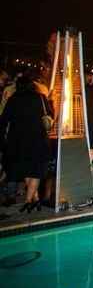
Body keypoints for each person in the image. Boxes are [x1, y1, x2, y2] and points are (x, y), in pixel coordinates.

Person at [0, 75, 51, 212]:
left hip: (18, 140)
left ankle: (31, 200)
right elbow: (49, 114)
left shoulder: (13, 99)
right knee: (35, 170)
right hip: (38, 138)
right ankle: (32, 200)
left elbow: (4, 119)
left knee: (26, 169)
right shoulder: (41, 98)